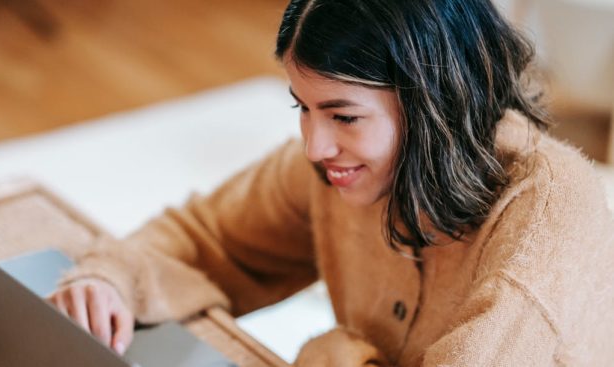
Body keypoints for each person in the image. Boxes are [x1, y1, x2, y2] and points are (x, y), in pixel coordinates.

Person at [48, 0, 614, 365]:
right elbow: (209, 236)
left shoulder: (549, 215)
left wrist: (334, 356)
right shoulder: (346, 164)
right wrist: (112, 279)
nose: (315, 147)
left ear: (433, 105)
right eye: (303, 108)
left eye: (343, 116)